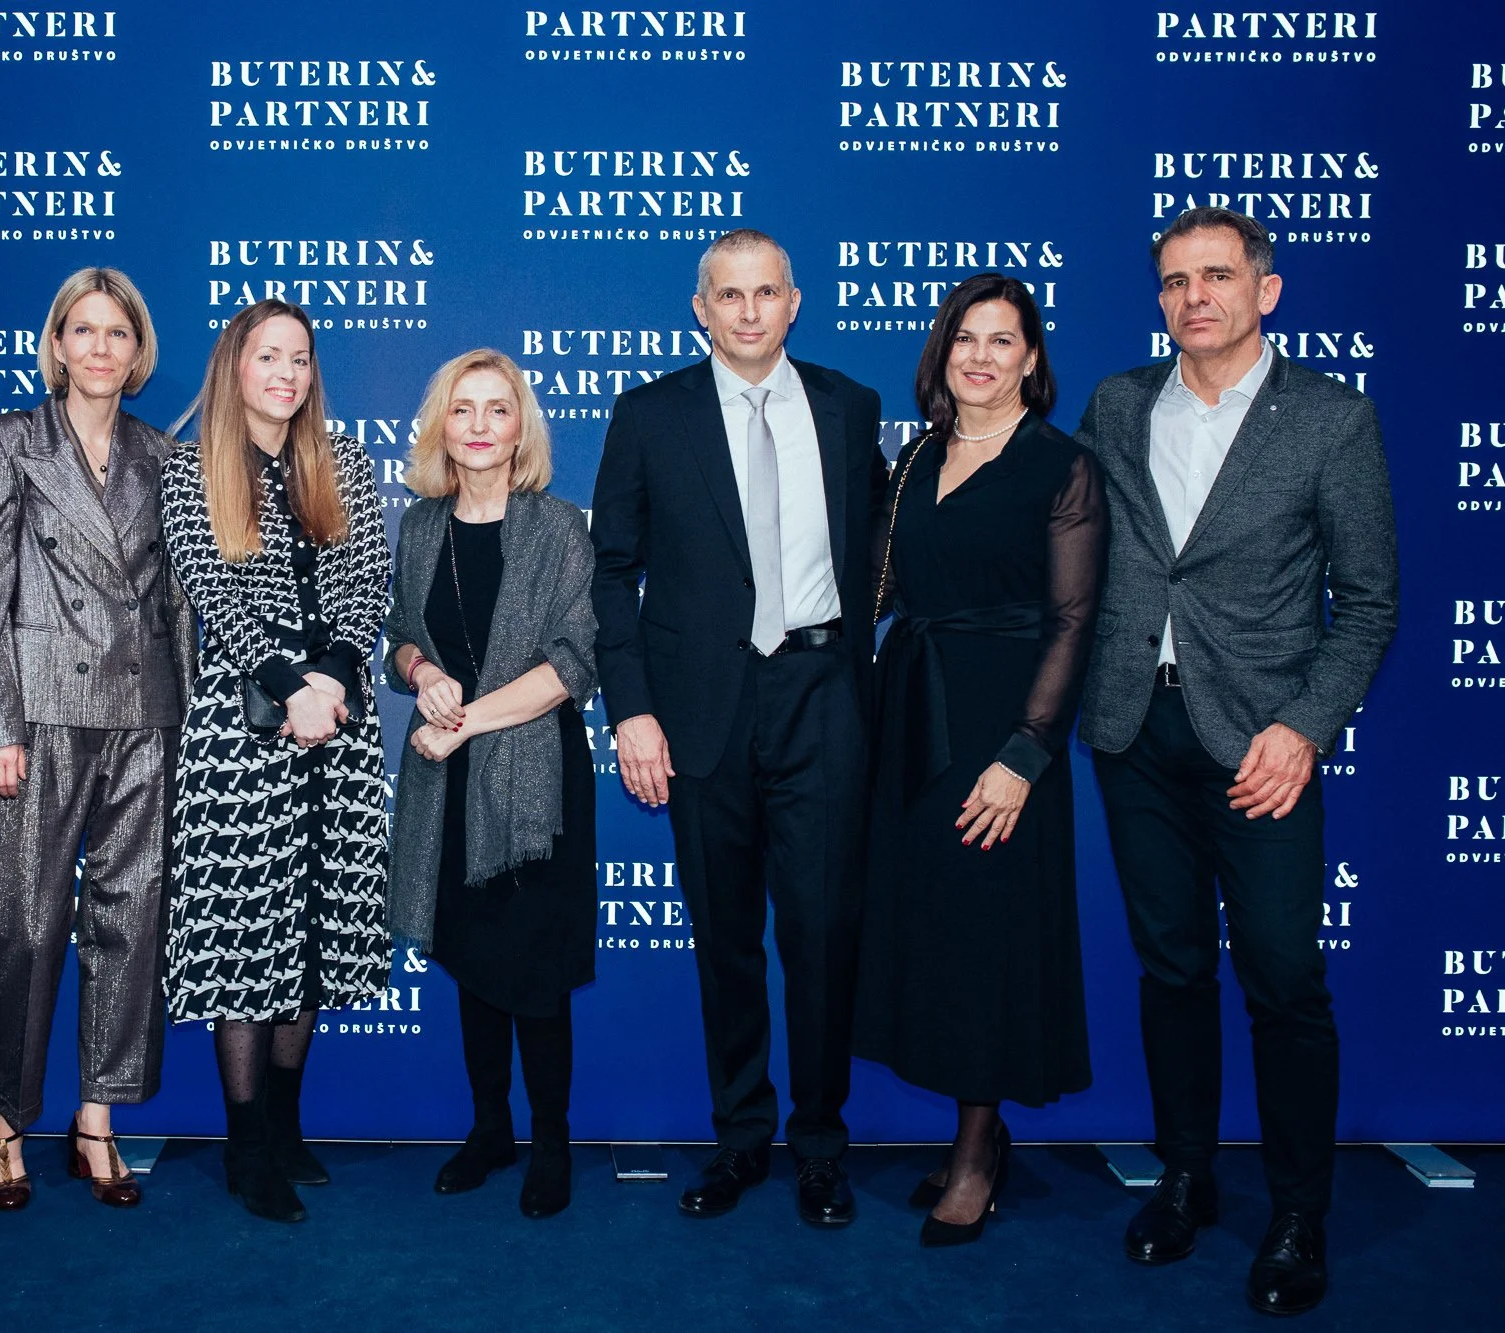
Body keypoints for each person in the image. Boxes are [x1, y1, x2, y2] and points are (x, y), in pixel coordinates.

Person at [1076, 207, 1397, 1317]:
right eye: (1172, 281)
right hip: (1129, 730)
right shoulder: (1116, 404)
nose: (1192, 296)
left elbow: (1365, 605)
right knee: (1169, 969)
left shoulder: (1329, 419)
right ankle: (1184, 1176)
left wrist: (1302, 727)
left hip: (1260, 745)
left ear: (1265, 290)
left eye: (1215, 276)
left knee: (1281, 978)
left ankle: (1297, 1209)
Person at [590, 229, 886, 1226]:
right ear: (700, 309)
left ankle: (818, 1146)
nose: (748, 311)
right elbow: (609, 571)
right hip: (698, 712)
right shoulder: (646, 415)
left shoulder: (849, 409)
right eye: (729, 295)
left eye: (765, 293)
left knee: (820, 934)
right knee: (724, 940)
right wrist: (629, 706)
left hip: (822, 695)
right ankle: (740, 1138)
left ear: (793, 302)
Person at [852, 274, 1106, 1246]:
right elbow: (874, 585)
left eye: (1002, 341)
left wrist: (1025, 754)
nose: (981, 356)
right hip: (913, 715)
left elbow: (1074, 619)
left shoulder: (1059, 466)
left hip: (1006, 728)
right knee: (936, 930)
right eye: (965, 338)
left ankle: (974, 1150)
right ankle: (968, 1133)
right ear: (941, 351)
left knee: (988, 937)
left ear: (1030, 360)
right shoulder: (914, 455)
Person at [0, 268, 198, 1211]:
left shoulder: (162, 457)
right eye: (83, 331)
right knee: (22, 925)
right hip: (45, 712)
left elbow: (178, 600)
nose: (100, 348)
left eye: (118, 333)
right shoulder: (5, 444)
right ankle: (8, 1122)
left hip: (147, 715)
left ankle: (97, 1120)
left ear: (138, 352)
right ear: (56, 343)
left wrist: (191, 715)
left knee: (131, 924)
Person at [159, 298, 392, 1224]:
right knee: (246, 935)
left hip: (338, 723)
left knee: (313, 932)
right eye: (268, 357)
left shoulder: (345, 465)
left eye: (299, 358)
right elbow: (212, 587)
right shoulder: (190, 470)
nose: (287, 373)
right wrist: (288, 685)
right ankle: (245, 1141)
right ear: (235, 367)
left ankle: (289, 1127)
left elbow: (367, 577)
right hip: (240, 729)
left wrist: (331, 679)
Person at [384, 350, 599, 1220]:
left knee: (535, 975)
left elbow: (570, 665)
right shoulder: (420, 528)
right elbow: (399, 636)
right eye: (462, 409)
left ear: (521, 428)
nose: (478, 425)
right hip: (449, 783)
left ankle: (552, 1140)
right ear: (442, 426)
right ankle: (489, 1130)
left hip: (533, 782)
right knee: (474, 964)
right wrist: (421, 669)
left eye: (496, 409)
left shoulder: (558, 529)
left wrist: (464, 718)